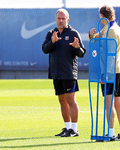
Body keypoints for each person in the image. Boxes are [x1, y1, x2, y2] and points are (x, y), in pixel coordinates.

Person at [42, 8, 86, 137]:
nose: (61, 21)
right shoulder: (51, 33)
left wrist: (77, 47)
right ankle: (67, 128)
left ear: (68, 19)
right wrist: (53, 42)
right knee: (62, 101)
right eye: (59, 18)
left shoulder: (73, 33)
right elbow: (44, 49)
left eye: (63, 18)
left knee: (71, 100)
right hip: (56, 73)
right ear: (55, 19)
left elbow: (82, 53)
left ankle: (74, 129)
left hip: (69, 73)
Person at [89, 5, 120, 141]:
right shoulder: (112, 27)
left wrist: (105, 75)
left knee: (109, 102)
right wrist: (91, 35)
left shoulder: (111, 30)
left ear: (102, 16)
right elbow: (94, 39)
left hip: (110, 71)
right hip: (117, 69)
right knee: (117, 101)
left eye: (99, 16)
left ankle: (111, 133)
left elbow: (110, 55)